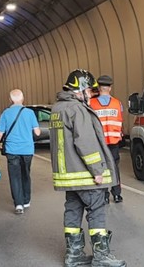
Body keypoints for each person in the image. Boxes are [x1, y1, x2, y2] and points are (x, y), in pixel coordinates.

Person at [50, 69, 126, 267]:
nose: (92, 94)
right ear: (81, 90)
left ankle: (73, 255)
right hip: (84, 174)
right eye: (90, 91)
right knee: (97, 209)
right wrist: (98, 170)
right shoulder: (77, 110)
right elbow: (85, 142)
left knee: (73, 210)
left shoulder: (57, 109)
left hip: (68, 175)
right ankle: (102, 256)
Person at [0, 89, 40, 214]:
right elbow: (37, 132)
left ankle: (18, 204)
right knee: (26, 174)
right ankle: (26, 200)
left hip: (12, 150)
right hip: (27, 150)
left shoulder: (6, 113)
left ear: (10, 100)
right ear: (23, 98)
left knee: (15, 176)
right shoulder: (30, 113)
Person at [90, 75, 124, 204]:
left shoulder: (91, 103)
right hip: (114, 142)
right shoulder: (117, 103)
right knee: (114, 167)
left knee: (102, 168)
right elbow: (121, 121)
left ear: (99, 88)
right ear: (110, 88)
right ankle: (116, 195)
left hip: (99, 142)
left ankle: (104, 195)